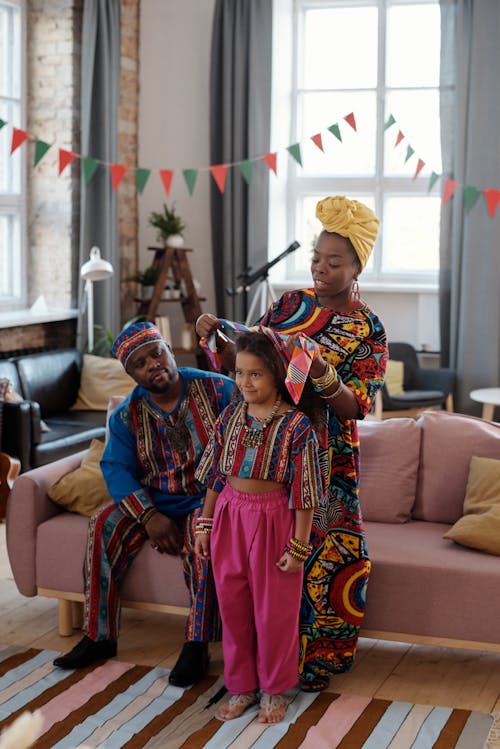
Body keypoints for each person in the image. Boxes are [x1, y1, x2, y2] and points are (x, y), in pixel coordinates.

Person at [196, 195, 388, 692]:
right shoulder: (290, 303)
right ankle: (257, 666)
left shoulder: (367, 329)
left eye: (334, 262)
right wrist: (220, 333)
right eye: (317, 259)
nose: (321, 269)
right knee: (266, 560)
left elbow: (355, 407)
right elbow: (257, 351)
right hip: (266, 448)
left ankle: (314, 664)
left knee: (331, 557)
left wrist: (323, 375)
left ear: (357, 265)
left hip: (325, 455)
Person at [53, 321, 236, 688]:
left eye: (157, 353)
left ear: (169, 351)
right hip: (154, 499)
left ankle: (197, 643)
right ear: (131, 373)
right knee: (104, 522)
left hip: (209, 498)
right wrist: (149, 516)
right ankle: (99, 636)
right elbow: (116, 467)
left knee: (202, 539)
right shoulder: (126, 415)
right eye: (140, 362)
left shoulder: (219, 389)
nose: (152, 364)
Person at [194, 331, 325, 723]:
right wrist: (205, 523)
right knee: (233, 607)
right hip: (230, 517)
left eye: (255, 375)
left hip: (274, 520)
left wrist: (299, 547)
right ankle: (241, 686)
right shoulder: (230, 417)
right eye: (239, 374)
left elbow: (305, 493)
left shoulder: (297, 427)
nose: (245, 383)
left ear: (277, 376)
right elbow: (218, 474)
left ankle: (276, 688)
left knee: (274, 613)